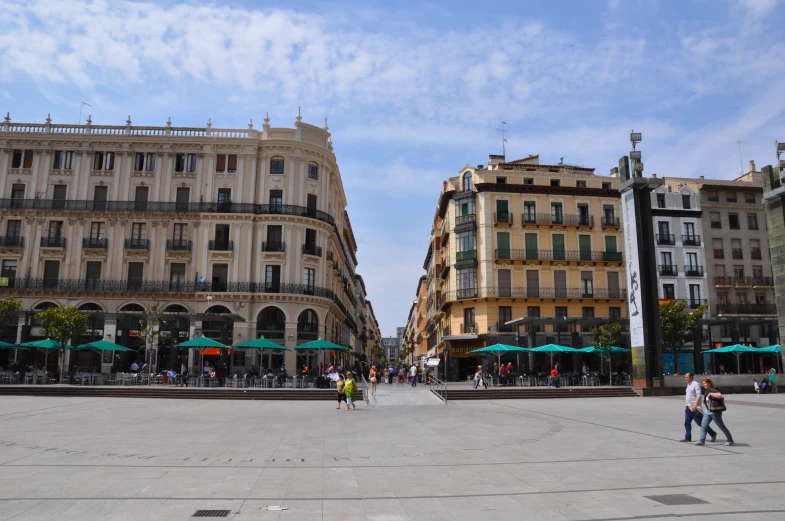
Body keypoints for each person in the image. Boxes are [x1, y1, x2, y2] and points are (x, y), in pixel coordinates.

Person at [694, 378, 734, 446]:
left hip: (715, 412)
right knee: (704, 425)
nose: (704, 385)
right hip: (708, 411)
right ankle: (702, 440)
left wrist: (711, 394)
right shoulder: (707, 390)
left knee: (721, 426)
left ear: (709, 383)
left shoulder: (712, 390)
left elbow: (720, 395)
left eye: (705, 383)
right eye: (703, 383)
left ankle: (730, 440)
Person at [681, 372, 716, 443]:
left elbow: (699, 396)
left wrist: (695, 405)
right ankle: (687, 437)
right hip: (688, 406)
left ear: (691, 377)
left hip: (695, 407)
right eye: (685, 377)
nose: (686, 379)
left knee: (700, 423)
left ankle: (712, 433)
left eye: (687, 377)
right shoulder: (688, 385)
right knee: (687, 422)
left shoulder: (695, 384)